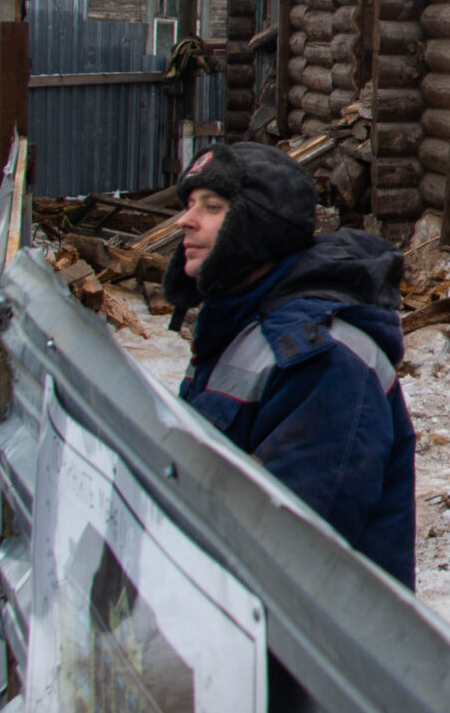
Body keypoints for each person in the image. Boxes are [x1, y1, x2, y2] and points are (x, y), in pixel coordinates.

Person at [162, 142, 416, 588]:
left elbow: (290, 557)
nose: (185, 220)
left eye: (212, 206)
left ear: (255, 225)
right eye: (188, 205)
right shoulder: (237, 329)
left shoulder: (323, 361)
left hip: (311, 649)